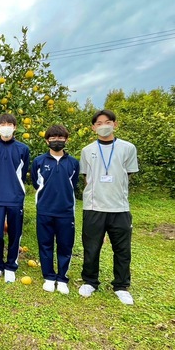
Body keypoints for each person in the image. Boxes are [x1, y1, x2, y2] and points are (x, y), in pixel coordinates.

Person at [78, 109, 139, 305]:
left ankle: (121, 286)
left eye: (107, 122)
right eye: (99, 123)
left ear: (115, 124)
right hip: (94, 206)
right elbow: (86, 177)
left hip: (119, 207)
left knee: (122, 249)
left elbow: (128, 174)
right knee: (91, 246)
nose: (103, 125)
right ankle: (90, 281)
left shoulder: (127, 148)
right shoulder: (87, 150)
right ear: (93, 127)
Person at [31, 125, 79, 294]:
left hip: (66, 212)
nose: (56, 141)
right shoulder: (39, 161)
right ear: (47, 141)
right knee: (45, 245)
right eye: (52, 138)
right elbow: (36, 183)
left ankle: (62, 278)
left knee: (65, 245)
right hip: (45, 210)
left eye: (60, 138)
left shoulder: (73, 163)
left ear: (66, 140)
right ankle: (49, 277)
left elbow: (73, 185)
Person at [0, 113, 30, 283]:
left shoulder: (23, 149)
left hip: (15, 197)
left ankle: (11, 265)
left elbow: (23, 172)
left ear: (14, 127)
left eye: (9, 124)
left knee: (14, 233)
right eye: (2, 124)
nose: (6, 127)